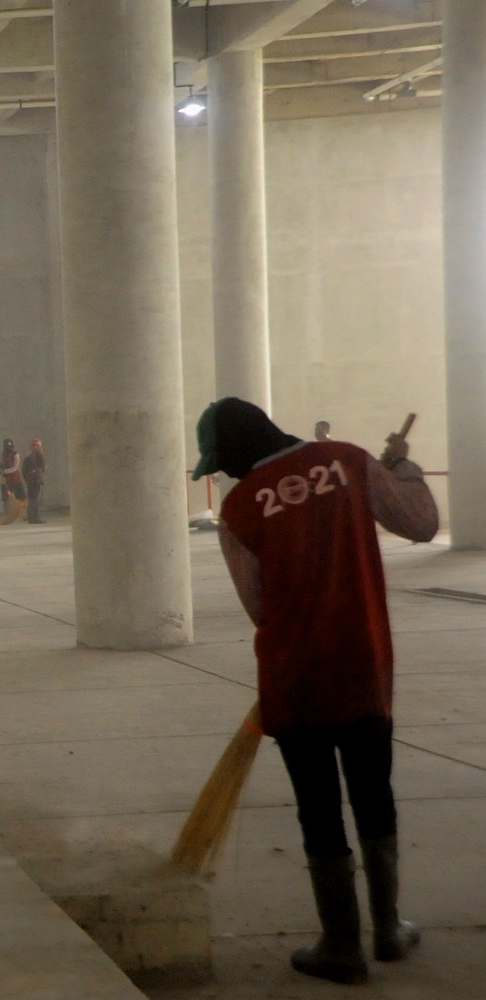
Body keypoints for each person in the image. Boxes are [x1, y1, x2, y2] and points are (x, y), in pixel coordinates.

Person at [192, 397, 437, 985]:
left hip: (295, 679)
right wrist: (403, 470)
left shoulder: (240, 507)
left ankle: (341, 946)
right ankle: (389, 929)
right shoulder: (350, 463)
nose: (226, 473)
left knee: (319, 810)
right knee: (374, 796)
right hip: (362, 666)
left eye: (223, 461)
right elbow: (421, 524)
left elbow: (259, 606)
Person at [0, 439, 26, 525]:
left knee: (21, 497)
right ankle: (8, 515)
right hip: (5, 480)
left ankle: (24, 515)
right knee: (6, 498)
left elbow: (15, 467)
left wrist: (5, 471)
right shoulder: (1, 455)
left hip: (15, 479)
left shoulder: (15, 455)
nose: (9, 449)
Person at [22, 438, 47, 524]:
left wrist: (27, 479)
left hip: (30, 481)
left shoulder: (27, 456)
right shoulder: (39, 455)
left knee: (31, 499)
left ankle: (30, 518)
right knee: (35, 499)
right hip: (36, 480)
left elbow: (23, 471)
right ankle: (36, 518)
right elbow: (43, 467)